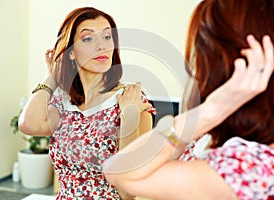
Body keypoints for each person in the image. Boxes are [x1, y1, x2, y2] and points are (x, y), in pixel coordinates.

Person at [103, 0, 274, 199]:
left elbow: (120, 171)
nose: (196, 72)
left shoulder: (253, 168)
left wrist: (211, 110)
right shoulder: (207, 142)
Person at [19, 7, 153, 199]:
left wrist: (129, 116)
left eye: (107, 37)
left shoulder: (131, 99)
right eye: (88, 39)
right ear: (71, 52)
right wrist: (52, 77)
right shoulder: (63, 103)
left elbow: (128, 192)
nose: (102, 46)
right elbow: (28, 125)